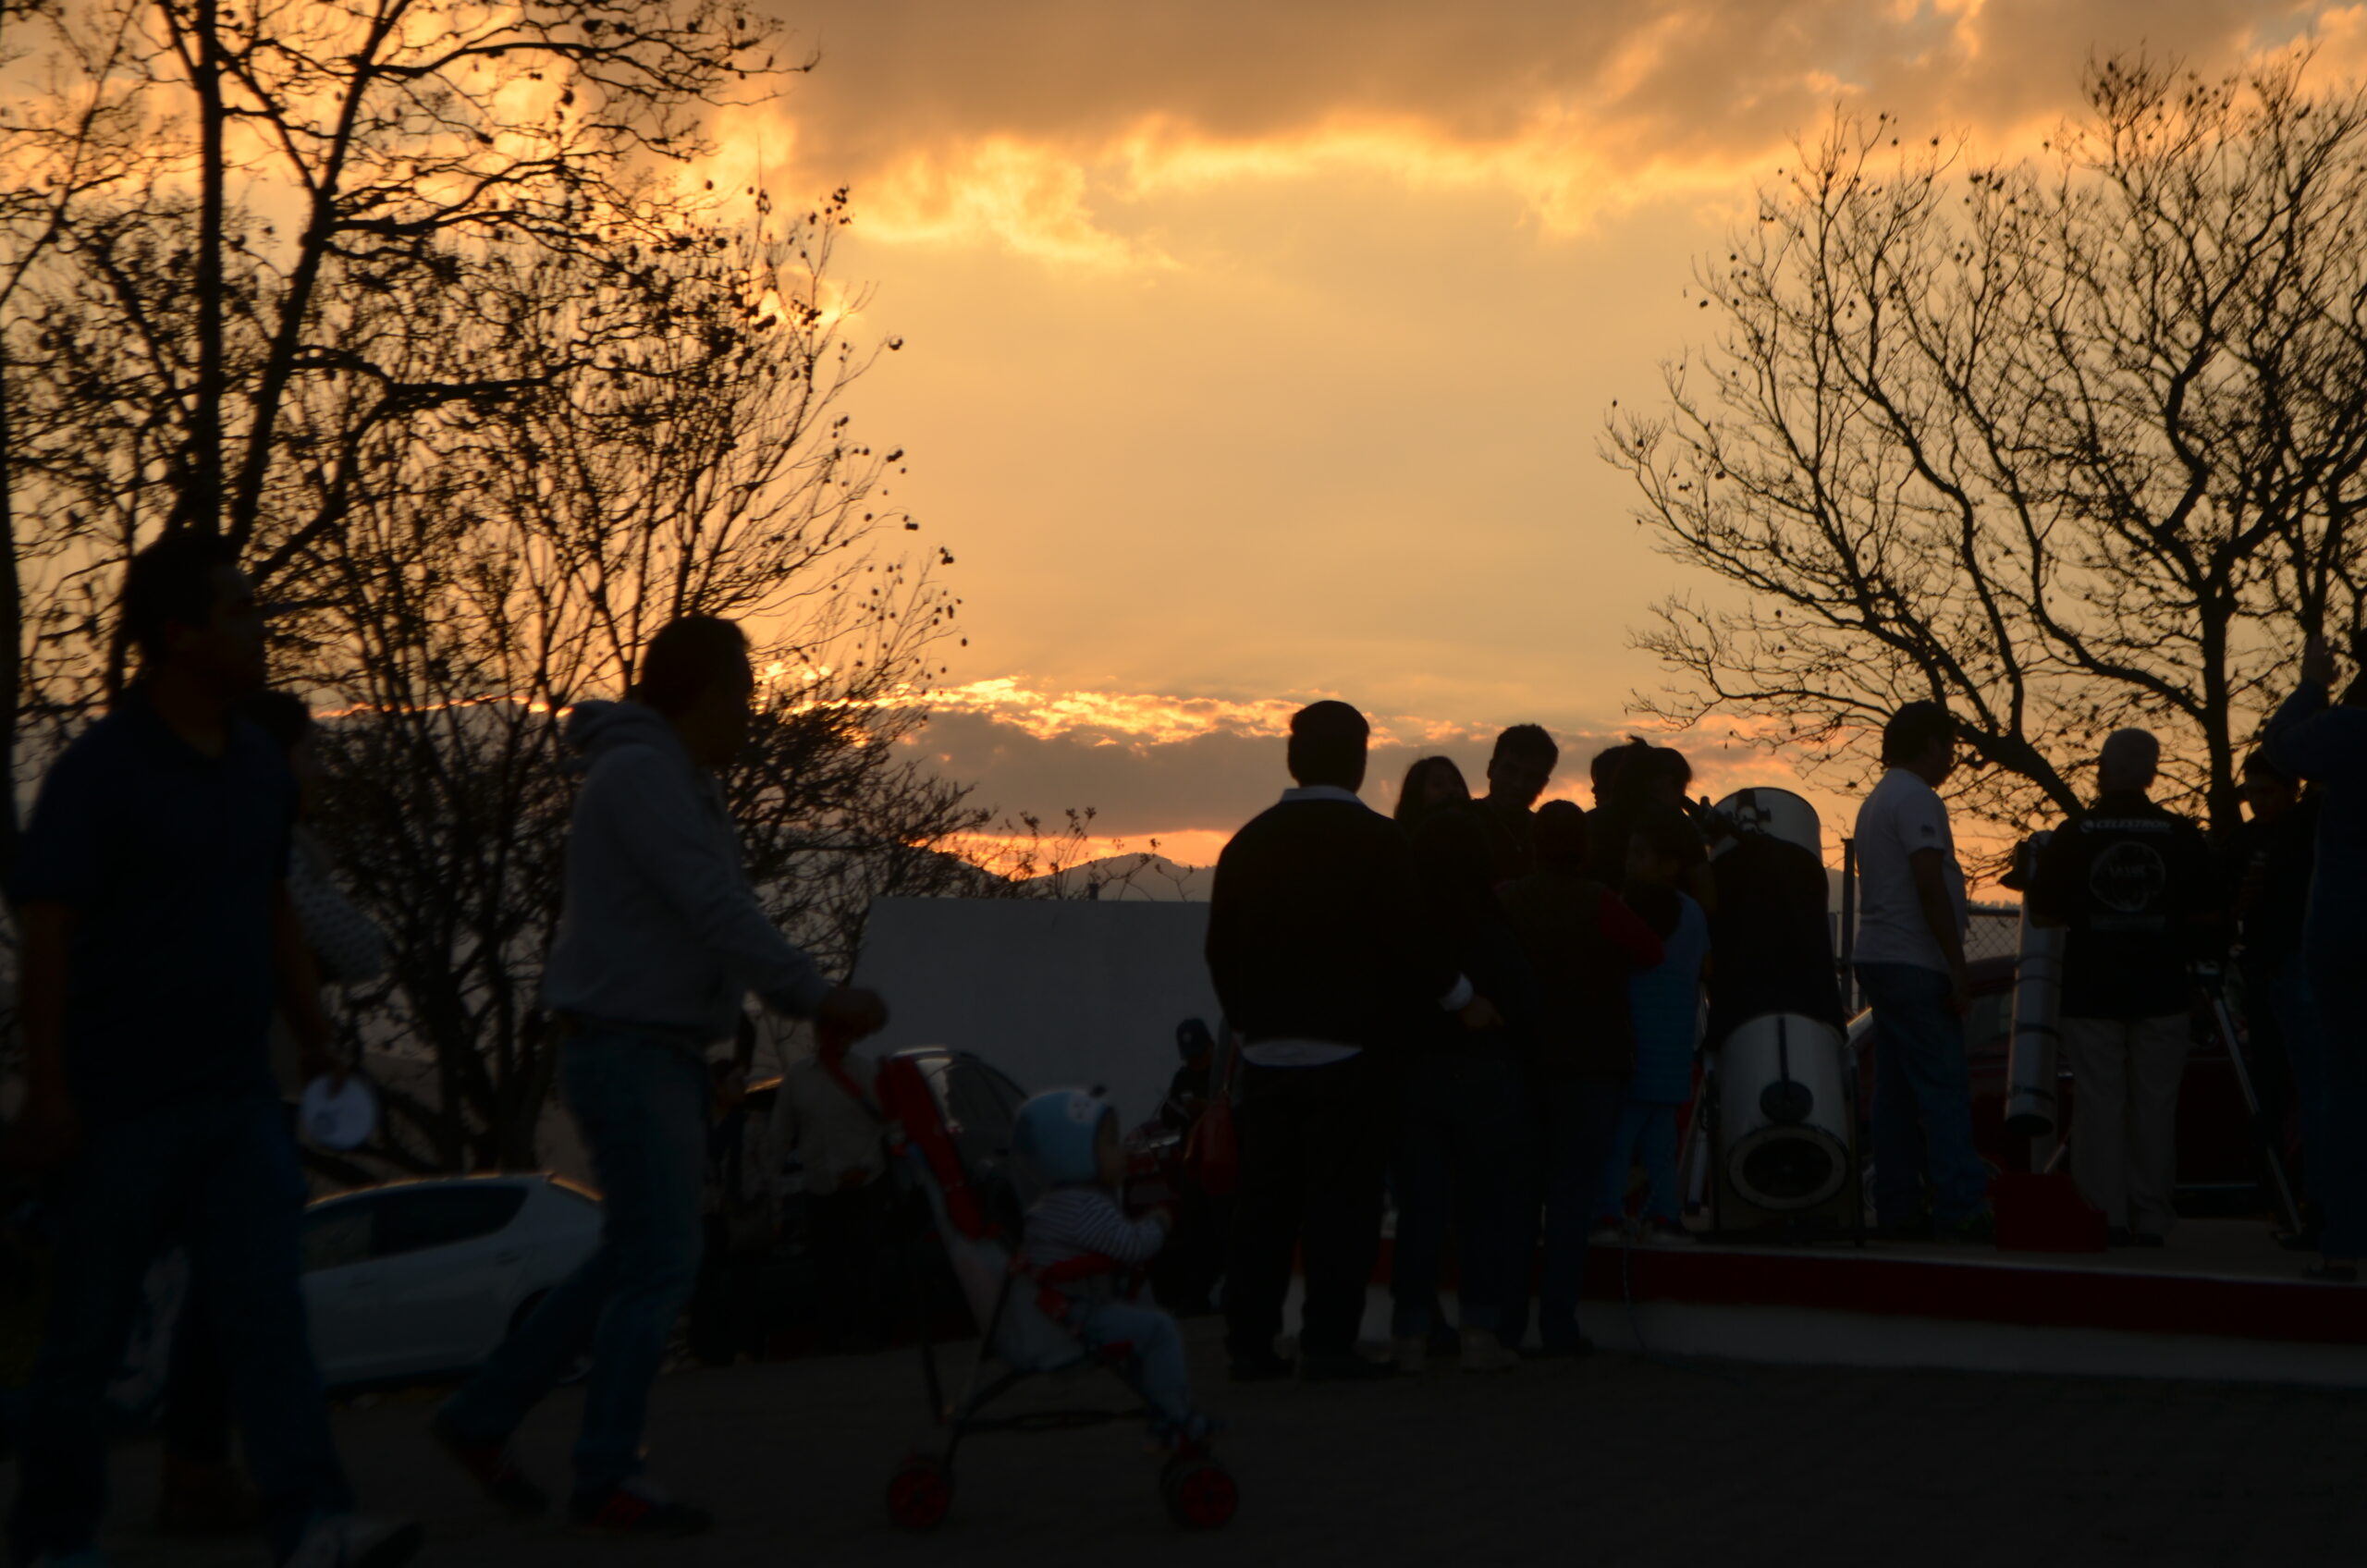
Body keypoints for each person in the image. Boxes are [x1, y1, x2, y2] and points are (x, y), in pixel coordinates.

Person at [7, 533, 420, 1568]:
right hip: (122, 1100)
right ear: (177, 634)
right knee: (88, 1336)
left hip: (238, 1093)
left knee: (266, 1313)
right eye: (237, 610)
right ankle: (55, 1538)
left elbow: (274, 902)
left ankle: (313, 1521)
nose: (258, 626)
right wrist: (49, 1089)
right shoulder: (99, 772)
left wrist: (318, 1038)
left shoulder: (251, 766)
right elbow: (47, 928)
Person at [432, 615, 889, 1536]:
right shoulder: (643, 777)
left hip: (654, 1049)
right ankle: (603, 1469)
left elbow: (707, 912)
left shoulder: (672, 780)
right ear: (708, 693)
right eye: (745, 696)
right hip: (630, 1048)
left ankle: (484, 1415)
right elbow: (711, 903)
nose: (751, 716)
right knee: (663, 1261)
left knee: (629, 1259)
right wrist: (812, 994)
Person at [157, 688, 393, 1539]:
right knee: (252, 1294)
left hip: (217, 1081)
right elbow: (355, 947)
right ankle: (294, 1501)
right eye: (307, 755)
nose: (319, 772)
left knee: (221, 1296)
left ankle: (199, 1473)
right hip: (240, 1086)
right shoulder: (279, 848)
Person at [1205, 701, 1482, 1383]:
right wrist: (1464, 1000)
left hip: (1267, 1056)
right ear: (1359, 761)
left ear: (1293, 759)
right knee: (1343, 1208)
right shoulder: (1378, 842)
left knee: (1262, 1210)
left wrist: (1248, 1024)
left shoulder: (1248, 842)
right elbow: (1412, 941)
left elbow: (1220, 950)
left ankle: (1250, 1345)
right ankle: (1328, 1344)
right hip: (1353, 1056)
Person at [2030, 730, 2219, 1246]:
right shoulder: (2180, 834)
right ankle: (2152, 1215)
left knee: (2098, 1104)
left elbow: (2043, 911)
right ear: (2152, 773)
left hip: (2093, 990)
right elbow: (2208, 912)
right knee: (2155, 1107)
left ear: (2102, 769)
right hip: (2161, 989)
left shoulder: (2074, 834)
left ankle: (2104, 1213)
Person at [1386, 755, 1534, 1374]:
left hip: (1413, 1074)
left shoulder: (1402, 920)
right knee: (1482, 1209)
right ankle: (1480, 1332)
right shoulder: (1491, 922)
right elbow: (1521, 1000)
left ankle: (1411, 1336)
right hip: (1482, 1077)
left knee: (1420, 1212)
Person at [1498, 802, 1662, 1356]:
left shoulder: (1506, 900)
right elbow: (1649, 949)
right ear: (1586, 849)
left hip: (1519, 1064)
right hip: (1590, 1065)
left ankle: (1505, 1323)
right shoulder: (1599, 903)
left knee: (1518, 1197)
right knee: (1571, 1200)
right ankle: (1558, 1325)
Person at [1851, 701, 1993, 1242]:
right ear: (1931, 745)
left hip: (1881, 955)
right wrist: (1957, 965)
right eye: (1949, 747)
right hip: (1914, 959)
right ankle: (1961, 1208)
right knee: (1943, 1088)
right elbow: (1928, 880)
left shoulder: (1879, 799)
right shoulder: (1917, 799)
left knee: (1894, 1094)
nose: (1952, 759)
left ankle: (1899, 1206)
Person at [1014, 1090, 1217, 1442]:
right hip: (1079, 1315)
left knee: (1140, 1317)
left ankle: (1162, 1403)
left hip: (1059, 1309)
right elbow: (1131, 1246)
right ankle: (1175, 1414)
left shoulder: (1051, 1206)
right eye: (1110, 1144)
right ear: (1072, 1154)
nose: (1121, 1152)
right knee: (1158, 1329)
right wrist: (1158, 1223)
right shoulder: (1084, 1207)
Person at [2263, 635, 2367, 1280]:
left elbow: (2281, 745)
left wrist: (2310, 685)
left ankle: (2344, 1237)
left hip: (2346, 931)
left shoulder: (2351, 733)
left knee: (2344, 1086)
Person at [1597, 810, 1714, 1243]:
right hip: (1674, 1044)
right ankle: (1664, 1213)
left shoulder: (1623, 908)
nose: (1630, 862)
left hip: (1632, 1045)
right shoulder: (1694, 914)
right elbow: (1705, 969)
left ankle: (1608, 1212)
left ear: (1668, 864)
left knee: (1619, 1139)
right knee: (1662, 1140)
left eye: (1641, 855)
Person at [2227, 751, 2326, 1246]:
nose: (2257, 802)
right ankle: (2282, 1196)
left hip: (2298, 968)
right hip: (2265, 975)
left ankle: (2313, 1197)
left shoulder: (2309, 834)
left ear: (2291, 792)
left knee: (2310, 1089)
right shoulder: (2246, 841)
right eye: (2252, 793)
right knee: (2271, 1088)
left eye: (2267, 792)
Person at [774, 1021, 894, 1351]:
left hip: (864, 1184)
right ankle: (834, 1336)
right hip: (820, 1187)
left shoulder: (865, 1072)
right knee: (829, 1265)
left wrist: (865, 1166)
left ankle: (870, 1333)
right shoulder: (798, 1078)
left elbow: (888, 1125)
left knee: (866, 1260)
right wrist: (769, 1180)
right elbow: (780, 1132)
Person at [688, 1061, 781, 1366]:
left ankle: (747, 1347)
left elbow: (769, 1172)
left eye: (743, 1081)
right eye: (735, 1082)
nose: (742, 1088)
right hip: (707, 1215)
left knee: (746, 1284)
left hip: (743, 1211)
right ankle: (710, 1351)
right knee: (707, 1286)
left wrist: (775, 1213)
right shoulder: (697, 1127)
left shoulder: (751, 1123)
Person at [1472, 724, 1560, 883]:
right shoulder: (1461, 823)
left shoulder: (1548, 833)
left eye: (1531, 777)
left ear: (1543, 784)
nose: (1518, 784)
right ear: (1491, 769)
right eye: (1510, 770)